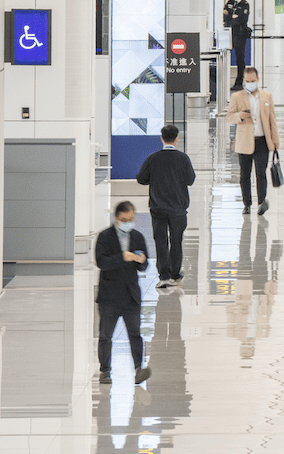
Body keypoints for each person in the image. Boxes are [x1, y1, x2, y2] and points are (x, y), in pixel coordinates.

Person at [95, 201, 152, 385]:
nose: (128, 222)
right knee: (106, 335)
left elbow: (144, 264)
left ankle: (138, 369)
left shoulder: (137, 237)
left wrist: (141, 260)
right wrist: (122, 257)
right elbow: (101, 262)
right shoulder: (105, 237)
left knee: (135, 334)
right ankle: (105, 371)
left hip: (131, 296)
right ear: (116, 218)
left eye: (131, 219)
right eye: (124, 219)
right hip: (109, 296)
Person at [135, 124, 197, 288]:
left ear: (161, 138)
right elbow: (190, 179)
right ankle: (175, 273)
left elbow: (141, 178)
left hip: (158, 208)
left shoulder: (153, 158)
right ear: (177, 139)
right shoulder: (183, 158)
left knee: (161, 240)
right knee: (176, 240)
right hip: (178, 208)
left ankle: (164, 274)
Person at [227, 67, 280, 214]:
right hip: (244, 141)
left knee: (261, 173)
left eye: (253, 80)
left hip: (262, 141)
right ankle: (247, 204)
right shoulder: (237, 97)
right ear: (244, 80)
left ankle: (262, 202)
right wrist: (240, 116)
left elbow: (272, 120)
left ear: (257, 80)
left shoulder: (266, 96)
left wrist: (275, 141)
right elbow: (229, 117)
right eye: (248, 81)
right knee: (245, 174)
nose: (250, 83)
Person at [223, 0, 250, 90]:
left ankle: (239, 82)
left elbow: (243, 19)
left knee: (240, 58)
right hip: (227, 33)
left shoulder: (245, 4)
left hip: (239, 34)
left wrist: (231, 19)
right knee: (224, 56)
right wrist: (232, 17)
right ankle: (223, 82)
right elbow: (225, 16)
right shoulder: (230, 2)